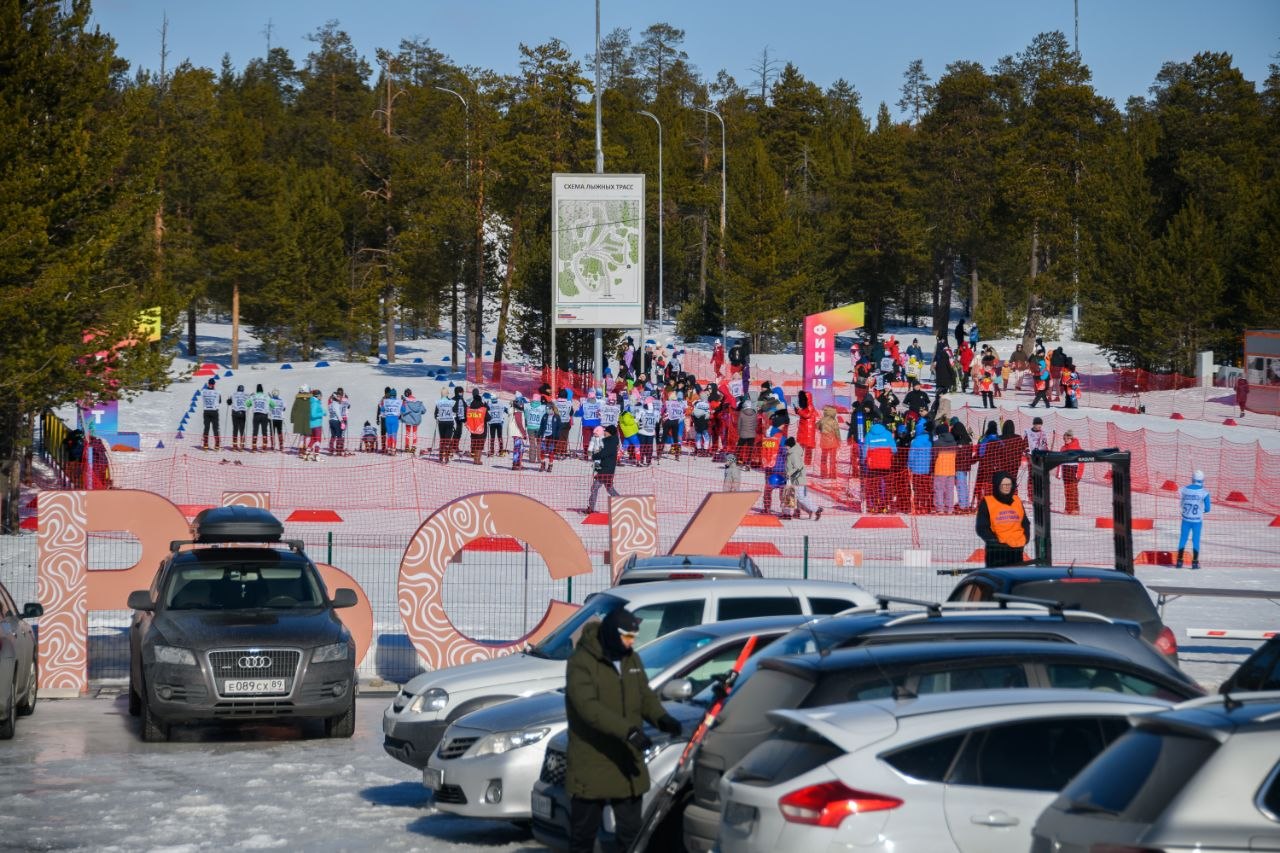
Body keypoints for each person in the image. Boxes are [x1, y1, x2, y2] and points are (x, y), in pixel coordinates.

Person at [565, 606, 681, 853]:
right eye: (626, 636)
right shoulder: (581, 662)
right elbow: (588, 708)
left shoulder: (632, 659)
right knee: (583, 837)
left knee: (631, 834)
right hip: (592, 763)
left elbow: (644, 696)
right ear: (610, 633)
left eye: (634, 637)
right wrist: (627, 731)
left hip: (627, 762)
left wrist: (662, 719)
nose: (631, 643)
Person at [976, 471, 1029, 567]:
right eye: (1003, 485)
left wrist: (1025, 537)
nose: (1006, 487)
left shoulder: (1017, 500)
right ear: (997, 485)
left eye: (1009, 484)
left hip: (1017, 549)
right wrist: (995, 542)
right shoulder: (987, 502)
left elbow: (1025, 522)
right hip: (997, 552)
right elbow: (982, 527)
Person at [1177, 470, 1210, 569]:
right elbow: (1208, 509)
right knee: (1196, 540)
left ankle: (1179, 562)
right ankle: (1195, 562)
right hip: (1197, 521)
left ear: (1192, 479)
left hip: (1186, 519)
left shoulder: (1183, 489)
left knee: (1183, 539)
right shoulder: (1204, 492)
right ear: (1202, 480)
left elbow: (1181, 501)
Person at [784, 437, 823, 520]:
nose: (785, 447)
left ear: (790, 446)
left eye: (786, 446)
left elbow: (798, 467)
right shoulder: (792, 452)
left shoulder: (793, 454)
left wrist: (789, 474)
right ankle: (787, 514)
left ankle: (816, 509)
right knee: (790, 495)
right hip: (794, 479)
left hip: (797, 480)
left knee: (801, 497)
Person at [586, 426, 621, 513]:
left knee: (595, 487)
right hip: (608, 469)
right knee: (609, 489)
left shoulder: (610, 442)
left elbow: (603, 453)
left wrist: (594, 456)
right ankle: (622, 502)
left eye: (606, 431)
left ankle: (591, 508)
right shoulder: (611, 441)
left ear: (610, 433)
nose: (604, 433)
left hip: (606, 469)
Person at [907, 419, 934, 514]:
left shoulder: (915, 442)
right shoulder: (930, 442)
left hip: (916, 470)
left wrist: (909, 466)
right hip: (927, 470)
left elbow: (911, 456)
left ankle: (917, 506)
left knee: (917, 489)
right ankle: (924, 506)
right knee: (925, 489)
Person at [932, 423, 957, 514]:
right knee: (949, 490)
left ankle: (940, 508)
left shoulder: (937, 442)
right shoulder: (954, 442)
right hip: (951, 469)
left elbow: (934, 454)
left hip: (940, 468)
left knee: (939, 489)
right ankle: (950, 508)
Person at [1059, 429, 1082, 514]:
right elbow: (1059, 461)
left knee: (1073, 490)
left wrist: (1079, 473)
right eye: (1064, 439)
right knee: (1067, 490)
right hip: (1065, 469)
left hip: (1074, 470)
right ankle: (1068, 508)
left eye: (1067, 438)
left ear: (1071, 438)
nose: (1065, 440)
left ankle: (1075, 509)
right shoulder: (1063, 448)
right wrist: (1059, 473)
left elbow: (1082, 462)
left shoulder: (1077, 448)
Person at [1025, 416, 1049, 500]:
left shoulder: (1043, 433)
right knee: (1032, 475)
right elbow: (1025, 445)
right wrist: (1028, 454)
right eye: (1037, 424)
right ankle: (1031, 495)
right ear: (1034, 424)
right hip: (1031, 456)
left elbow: (1045, 445)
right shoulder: (1028, 432)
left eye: (1040, 425)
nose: (1039, 426)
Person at [793, 390, 817, 465]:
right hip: (804, 428)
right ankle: (801, 460)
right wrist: (797, 411)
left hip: (808, 430)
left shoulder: (810, 406)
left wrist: (799, 411)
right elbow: (804, 414)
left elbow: (807, 415)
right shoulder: (805, 406)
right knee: (802, 445)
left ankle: (807, 462)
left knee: (808, 446)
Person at [400, 389, 426, 455]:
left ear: (406, 394)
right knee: (414, 433)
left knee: (408, 433)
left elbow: (403, 410)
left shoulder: (406, 401)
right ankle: (414, 446)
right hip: (416, 420)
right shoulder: (417, 402)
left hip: (408, 419)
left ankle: (407, 446)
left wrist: (401, 415)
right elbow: (424, 410)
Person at [434, 388, 457, 463]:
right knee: (448, 440)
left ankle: (441, 456)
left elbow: (435, 414)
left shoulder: (439, 402)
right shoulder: (451, 402)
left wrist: (437, 417)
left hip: (441, 423)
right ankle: (446, 457)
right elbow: (455, 411)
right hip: (449, 422)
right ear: (447, 394)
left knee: (442, 439)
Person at [466, 389, 488, 464]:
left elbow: (467, 418)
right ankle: (477, 460)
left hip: (473, 429)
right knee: (480, 445)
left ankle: (475, 459)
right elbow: (488, 418)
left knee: (475, 443)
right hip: (481, 429)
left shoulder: (470, 408)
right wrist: (486, 406)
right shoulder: (482, 409)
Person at [817, 405, 840, 479]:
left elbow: (816, 426)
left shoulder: (822, 420)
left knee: (823, 459)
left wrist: (821, 429)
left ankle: (823, 474)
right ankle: (832, 475)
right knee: (832, 459)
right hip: (833, 442)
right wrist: (839, 439)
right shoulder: (834, 421)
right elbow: (837, 431)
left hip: (824, 441)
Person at [199, 378, 221, 450]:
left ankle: (205, 445)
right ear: (214, 384)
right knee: (215, 428)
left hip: (206, 411)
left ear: (208, 384)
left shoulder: (203, 391)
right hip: (214, 412)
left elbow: (202, 394)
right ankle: (217, 445)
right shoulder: (217, 392)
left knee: (206, 428)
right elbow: (220, 401)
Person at [328, 387, 350, 456]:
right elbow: (347, 406)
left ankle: (339, 448)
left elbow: (348, 406)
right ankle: (338, 449)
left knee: (338, 434)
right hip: (340, 418)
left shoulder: (342, 398)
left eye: (341, 393)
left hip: (340, 418)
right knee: (339, 435)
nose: (340, 395)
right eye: (339, 394)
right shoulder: (338, 399)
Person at [305, 388, 324, 461]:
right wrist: (322, 413)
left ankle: (307, 454)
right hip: (316, 424)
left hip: (312, 424)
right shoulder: (315, 403)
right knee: (318, 440)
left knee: (313, 439)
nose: (321, 397)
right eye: (321, 395)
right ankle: (317, 455)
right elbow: (313, 414)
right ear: (318, 396)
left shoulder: (312, 402)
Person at [228, 384, 249, 451]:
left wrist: (228, 400)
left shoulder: (233, 395)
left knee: (235, 429)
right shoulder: (246, 395)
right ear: (243, 389)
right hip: (242, 413)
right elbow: (249, 403)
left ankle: (234, 446)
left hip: (235, 413)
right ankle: (242, 446)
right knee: (242, 429)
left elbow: (229, 402)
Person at [380, 388, 401, 455]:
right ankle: (393, 449)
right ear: (395, 395)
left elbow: (382, 409)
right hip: (395, 419)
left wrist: (383, 405)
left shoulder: (386, 401)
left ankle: (389, 449)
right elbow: (403, 410)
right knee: (394, 434)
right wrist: (404, 403)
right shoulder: (398, 401)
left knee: (389, 434)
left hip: (387, 419)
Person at [250, 384, 271, 451]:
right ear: (262, 389)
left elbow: (247, 404)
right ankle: (264, 447)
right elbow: (273, 405)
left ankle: (254, 446)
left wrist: (250, 397)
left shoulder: (254, 396)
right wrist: (271, 398)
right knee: (264, 431)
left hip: (256, 414)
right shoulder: (266, 396)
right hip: (264, 415)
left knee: (255, 430)